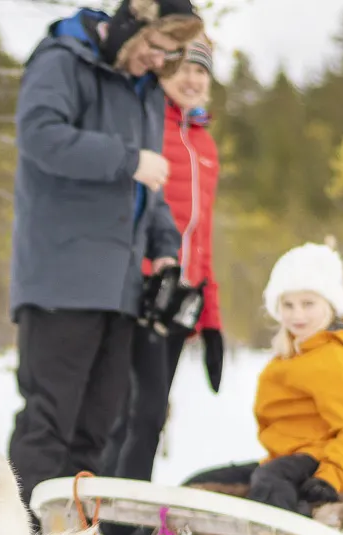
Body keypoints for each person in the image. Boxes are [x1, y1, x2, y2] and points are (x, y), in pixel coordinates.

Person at [6, 0, 203, 522]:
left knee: (99, 423)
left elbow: (150, 188)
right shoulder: (63, 59)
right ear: (128, 26)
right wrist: (127, 159)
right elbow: (40, 135)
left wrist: (163, 248)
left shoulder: (143, 91)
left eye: (170, 54)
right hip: (62, 279)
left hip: (119, 285)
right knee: (49, 420)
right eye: (153, 47)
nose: (158, 61)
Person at [177, 243, 343, 535]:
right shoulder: (290, 355)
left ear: (330, 305)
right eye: (288, 304)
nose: (298, 314)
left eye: (308, 304)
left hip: (318, 456)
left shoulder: (333, 360)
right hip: (284, 457)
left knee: (271, 477)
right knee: (199, 483)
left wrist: (331, 476)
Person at [101, 36, 225, 486]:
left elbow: (202, 240)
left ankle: (123, 521)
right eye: (182, 69)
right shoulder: (149, 126)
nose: (192, 79)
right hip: (136, 292)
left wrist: (211, 320)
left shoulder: (206, 146)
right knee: (129, 412)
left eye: (201, 71)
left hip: (177, 301)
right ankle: (99, 518)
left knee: (151, 416)